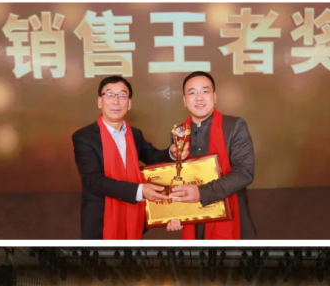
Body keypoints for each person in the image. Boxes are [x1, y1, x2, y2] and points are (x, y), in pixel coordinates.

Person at [73, 75, 186, 239]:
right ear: (100, 102)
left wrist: (172, 153)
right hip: (100, 223)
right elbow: (94, 181)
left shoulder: (135, 134)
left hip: (133, 217)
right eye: (109, 94)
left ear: (129, 103)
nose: (116, 101)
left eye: (122, 95)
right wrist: (141, 191)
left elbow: (153, 157)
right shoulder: (84, 137)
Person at [166, 71, 256, 239]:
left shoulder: (234, 126)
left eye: (205, 91)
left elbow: (244, 172)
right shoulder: (179, 132)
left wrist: (201, 192)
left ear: (214, 96)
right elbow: (176, 178)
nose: (199, 97)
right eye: (192, 92)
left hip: (231, 217)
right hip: (193, 220)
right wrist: (174, 211)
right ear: (184, 100)